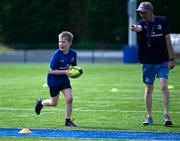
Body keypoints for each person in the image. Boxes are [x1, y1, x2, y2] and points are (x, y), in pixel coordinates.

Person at [130, 2, 175, 126]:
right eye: (140, 12)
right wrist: (134, 27)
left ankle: (166, 115)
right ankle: (149, 116)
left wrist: (171, 58)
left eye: (144, 12)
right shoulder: (141, 23)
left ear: (151, 11)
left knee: (164, 86)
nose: (141, 14)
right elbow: (138, 28)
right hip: (148, 61)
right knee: (149, 88)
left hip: (162, 60)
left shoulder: (162, 21)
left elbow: (167, 39)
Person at [35, 31, 78, 127]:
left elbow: (73, 68)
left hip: (64, 80)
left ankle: (68, 120)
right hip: (53, 81)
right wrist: (66, 72)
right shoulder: (57, 55)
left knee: (69, 99)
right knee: (53, 103)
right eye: (59, 41)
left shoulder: (73, 54)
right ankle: (41, 102)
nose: (60, 44)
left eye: (63, 42)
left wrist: (75, 73)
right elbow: (52, 71)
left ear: (70, 43)